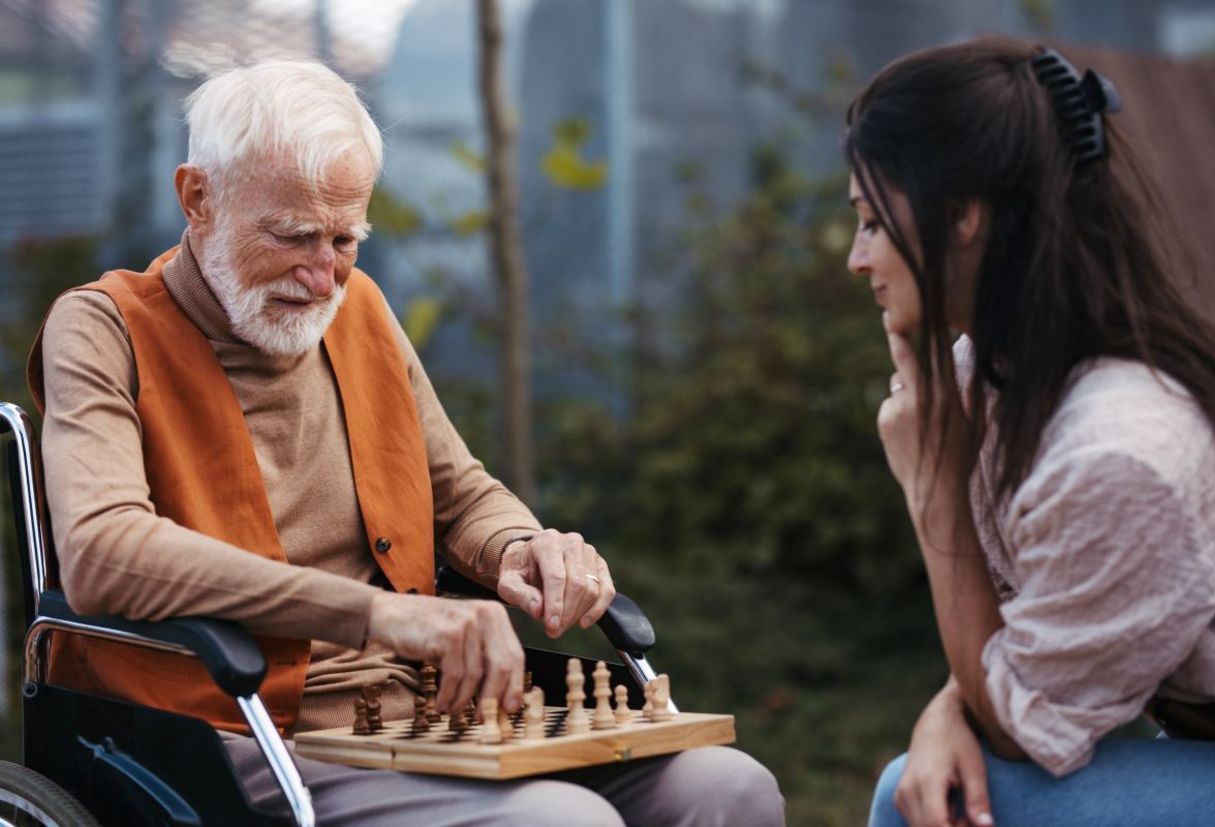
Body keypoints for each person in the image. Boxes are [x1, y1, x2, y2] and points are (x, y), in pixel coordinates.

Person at [31, 60, 783, 827]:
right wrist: (375, 615)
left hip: (415, 712)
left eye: (345, 238)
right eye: (293, 236)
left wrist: (521, 548)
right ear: (198, 197)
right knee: (558, 821)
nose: (324, 278)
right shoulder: (103, 328)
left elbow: (459, 494)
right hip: (235, 731)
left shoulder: (358, 308)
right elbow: (100, 550)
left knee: (730, 786)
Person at [842, 38, 1215, 827]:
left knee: (918, 797)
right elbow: (1029, 653)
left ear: (962, 215)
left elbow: (1024, 723)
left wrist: (936, 493)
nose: (857, 260)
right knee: (920, 780)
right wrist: (945, 712)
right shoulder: (1003, 380)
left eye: (870, 221)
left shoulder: (1122, 445)